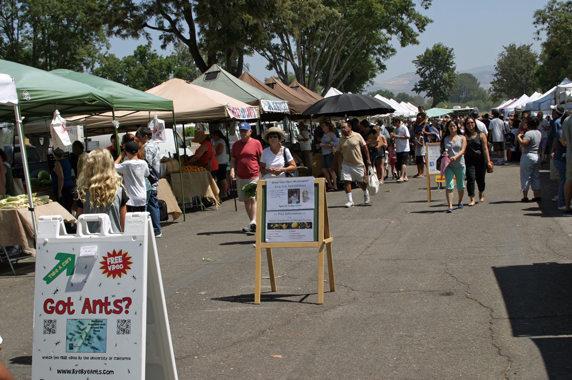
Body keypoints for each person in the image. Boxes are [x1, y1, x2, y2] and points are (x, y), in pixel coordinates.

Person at [76, 148, 128, 233]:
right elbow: (124, 223)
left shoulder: (83, 192)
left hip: (90, 240)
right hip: (114, 240)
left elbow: (80, 223)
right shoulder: (118, 191)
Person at [230, 122, 263, 233]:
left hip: (254, 175)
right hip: (241, 176)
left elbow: (260, 159)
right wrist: (232, 170)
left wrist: (263, 172)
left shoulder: (256, 143)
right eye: (241, 131)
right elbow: (234, 159)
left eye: (245, 131)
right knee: (246, 200)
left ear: (250, 131)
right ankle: (252, 223)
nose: (243, 133)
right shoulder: (236, 144)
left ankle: (253, 221)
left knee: (252, 197)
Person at [332, 121, 371, 207]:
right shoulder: (341, 139)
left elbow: (365, 147)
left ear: (350, 127)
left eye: (344, 127)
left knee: (360, 181)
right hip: (346, 163)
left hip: (358, 163)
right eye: (341, 128)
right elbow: (338, 152)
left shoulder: (357, 135)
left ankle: (365, 192)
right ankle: (350, 201)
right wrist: (333, 164)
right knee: (347, 181)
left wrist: (368, 159)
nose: (343, 129)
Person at [136, 126, 162, 237]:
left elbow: (147, 165)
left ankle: (152, 230)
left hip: (149, 181)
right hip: (153, 180)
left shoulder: (148, 147)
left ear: (145, 136)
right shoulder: (154, 145)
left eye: (139, 137)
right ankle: (156, 230)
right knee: (153, 205)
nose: (138, 139)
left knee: (149, 205)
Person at [464, 116, 492, 206]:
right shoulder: (464, 136)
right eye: (468, 123)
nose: (470, 125)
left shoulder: (481, 135)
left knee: (480, 179)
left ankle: (481, 191)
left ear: (475, 124)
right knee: (471, 178)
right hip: (468, 159)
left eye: (471, 123)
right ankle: (472, 198)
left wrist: (488, 162)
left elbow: (485, 149)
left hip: (480, 159)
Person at [114, 141, 149, 212]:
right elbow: (147, 174)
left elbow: (113, 166)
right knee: (141, 219)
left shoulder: (127, 164)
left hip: (131, 198)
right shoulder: (144, 163)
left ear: (127, 152)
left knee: (131, 220)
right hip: (142, 196)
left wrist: (120, 156)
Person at [442, 120, 467, 213]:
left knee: (461, 186)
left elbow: (463, 150)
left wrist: (455, 157)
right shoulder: (445, 139)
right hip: (448, 165)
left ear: (457, 127)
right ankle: (450, 205)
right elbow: (443, 150)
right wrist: (445, 154)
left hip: (459, 164)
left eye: (454, 126)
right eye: (450, 126)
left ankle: (460, 200)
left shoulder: (462, 138)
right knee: (449, 185)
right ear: (448, 128)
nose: (452, 127)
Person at [517, 118, 541, 202]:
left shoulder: (528, 133)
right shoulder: (539, 132)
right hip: (536, 154)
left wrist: (519, 138)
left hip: (528, 155)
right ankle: (537, 195)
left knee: (526, 176)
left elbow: (524, 143)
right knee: (535, 176)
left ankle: (525, 196)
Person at [51, 148, 75, 214]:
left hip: (64, 188)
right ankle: (70, 223)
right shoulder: (67, 161)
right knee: (69, 208)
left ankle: (67, 224)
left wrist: (59, 191)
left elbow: (61, 178)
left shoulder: (58, 163)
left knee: (64, 209)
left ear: (55, 155)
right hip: (70, 186)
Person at [318, 122, 339, 191]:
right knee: (324, 169)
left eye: (323, 126)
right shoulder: (324, 134)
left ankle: (335, 185)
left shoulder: (331, 134)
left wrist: (329, 145)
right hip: (324, 153)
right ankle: (329, 183)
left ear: (327, 127)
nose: (322, 127)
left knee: (331, 169)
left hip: (330, 153)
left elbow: (337, 142)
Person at [212, 130, 230, 200]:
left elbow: (220, 151)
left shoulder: (220, 141)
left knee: (222, 178)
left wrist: (213, 155)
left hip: (221, 162)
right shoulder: (220, 141)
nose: (213, 137)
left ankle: (225, 193)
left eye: (213, 136)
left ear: (216, 135)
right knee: (220, 178)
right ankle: (223, 192)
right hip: (220, 161)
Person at [393, 117, 410, 182]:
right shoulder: (395, 129)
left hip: (404, 148)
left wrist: (399, 136)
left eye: (394, 122)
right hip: (398, 148)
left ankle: (402, 176)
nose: (393, 124)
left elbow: (408, 137)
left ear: (397, 122)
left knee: (403, 163)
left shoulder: (404, 127)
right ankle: (405, 176)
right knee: (400, 163)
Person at [561, 112, 572, 216]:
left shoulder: (567, 120)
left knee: (569, 181)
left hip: (570, 155)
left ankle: (567, 206)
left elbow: (564, 140)